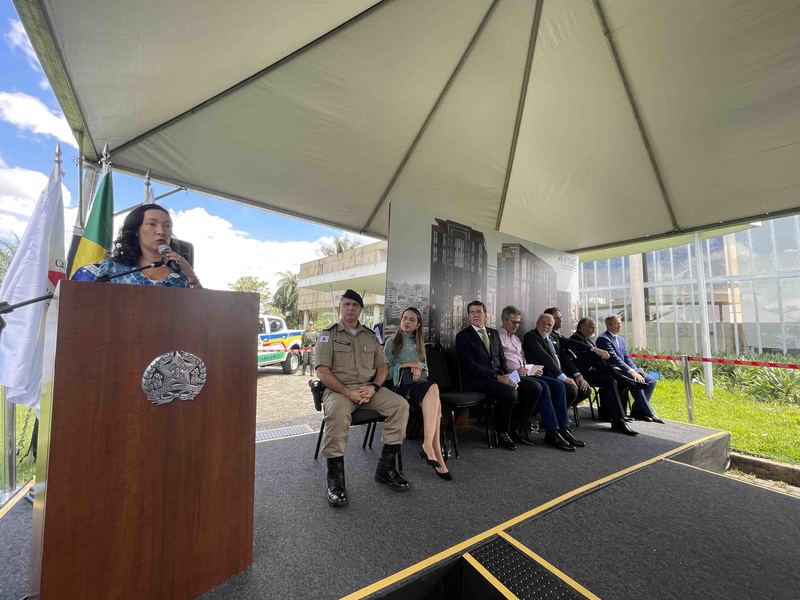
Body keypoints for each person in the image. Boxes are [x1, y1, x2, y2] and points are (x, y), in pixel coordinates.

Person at [315, 289, 411, 508]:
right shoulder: (328, 334)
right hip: (340, 391)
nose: (351, 309)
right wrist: (348, 392)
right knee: (337, 415)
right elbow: (322, 371)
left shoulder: (370, 335)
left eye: (355, 306)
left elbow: (383, 365)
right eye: (347, 304)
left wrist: (375, 386)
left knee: (400, 406)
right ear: (341, 307)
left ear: (360, 309)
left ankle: (385, 469)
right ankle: (335, 481)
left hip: (369, 390)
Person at [455, 300, 538, 451]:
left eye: (478, 311)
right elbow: (469, 365)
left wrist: (509, 376)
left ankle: (515, 427)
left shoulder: (493, 334)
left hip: (500, 377)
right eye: (472, 312)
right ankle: (502, 432)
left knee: (534, 387)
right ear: (468, 316)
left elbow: (502, 359)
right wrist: (498, 377)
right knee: (510, 393)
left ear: (485, 314)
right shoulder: (463, 336)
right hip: (478, 381)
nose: (475, 315)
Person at [497, 306, 581, 451]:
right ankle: (552, 430)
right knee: (542, 387)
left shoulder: (517, 339)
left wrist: (531, 369)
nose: (517, 325)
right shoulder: (497, 337)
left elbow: (522, 360)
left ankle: (562, 428)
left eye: (518, 323)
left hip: (526, 373)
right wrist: (516, 371)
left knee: (559, 386)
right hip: (511, 375)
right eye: (513, 322)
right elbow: (499, 362)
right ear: (504, 320)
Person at [384, 307, 451, 480]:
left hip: (418, 387)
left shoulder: (419, 344)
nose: (406, 322)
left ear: (418, 325)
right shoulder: (391, 342)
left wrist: (418, 367)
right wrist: (406, 364)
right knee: (434, 398)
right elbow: (385, 373)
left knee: (434, 394)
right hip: (400, 389)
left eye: (411, 319)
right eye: (404, 318)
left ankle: (429, 447)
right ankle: (435, 454)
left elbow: (425, 370)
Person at [72, 204, 200, 288]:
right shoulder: (113, 268)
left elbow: (201, 312)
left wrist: (192, 277)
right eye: (152, 224)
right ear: (136, 230)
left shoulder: (180, 274)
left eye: (167, 226)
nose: (161, 231)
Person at [570, 318, 638, 436]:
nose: (593, 330)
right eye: (591, 327)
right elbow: (582, 359)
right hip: (580, 374)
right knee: (595, 356)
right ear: (581, 327)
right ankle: (620, 379)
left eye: (595, 327)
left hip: (592, 371)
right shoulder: (576, 338)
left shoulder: (590, 341)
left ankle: (617, 418)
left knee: (609, 379)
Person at [596, 315, 664, 424]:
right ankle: (649, 413)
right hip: (615, 371)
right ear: (609, 325)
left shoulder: (621, 340)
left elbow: (627, 357)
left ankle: (637, 411)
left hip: (626, 369)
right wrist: (631, 371)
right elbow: (614, 358)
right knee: (635, 381)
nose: (620, 325)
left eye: (620, 323)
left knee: (651, 381)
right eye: (617, 323)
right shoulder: (603, 339)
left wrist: (636, 369)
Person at [523, 313, 583, 410]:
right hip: (544, 373)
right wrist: (563, 377)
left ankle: (559, 414)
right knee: (570, 389)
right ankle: (559, 420)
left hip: (558, 372)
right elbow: (545, 357)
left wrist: (577, 375)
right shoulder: (531, 336)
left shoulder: (553, 337)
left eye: (549, 325)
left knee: (582, 388)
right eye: (543, 323)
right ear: (537, 323)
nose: (546, 326)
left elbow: (565, 355)